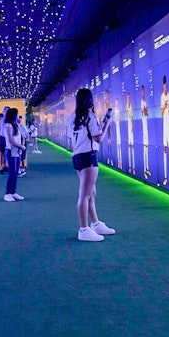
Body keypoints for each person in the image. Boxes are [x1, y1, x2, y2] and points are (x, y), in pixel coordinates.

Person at [68, 88, 116, 241]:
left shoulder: (71, 117)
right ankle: (83, 229)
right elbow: (98, 139)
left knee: (90, 193)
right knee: (85, 195)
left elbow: (74, 138)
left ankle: (95, 224)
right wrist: (107, 122)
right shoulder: (90, 116)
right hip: (89, 156)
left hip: (77, 157)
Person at [2, 107, 25, 201]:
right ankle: (7, 193)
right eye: (17, 114)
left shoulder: (17, 125)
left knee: (16, 172)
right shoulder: (7, 125)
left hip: (17, 150)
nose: (18, 116)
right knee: (12, 172)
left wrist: (21, 146)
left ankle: (13, 192)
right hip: (11, 150)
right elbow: (10, 140)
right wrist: (21, 146)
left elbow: (23, 137)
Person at [160, 75, 169, 190]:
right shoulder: (162, 97)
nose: (165, 88)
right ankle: (165, 176)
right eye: (164, 86)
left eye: (166, 86)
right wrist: (164, 106)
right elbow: (161, 113)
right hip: (164, 127)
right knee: (164, 149)